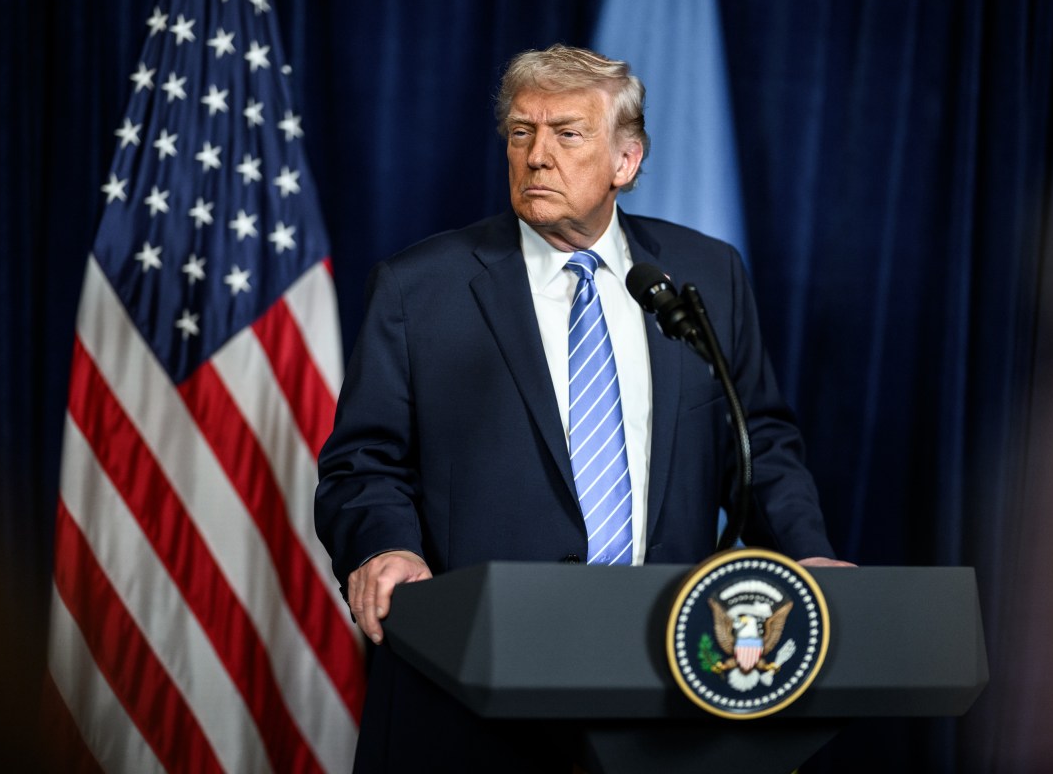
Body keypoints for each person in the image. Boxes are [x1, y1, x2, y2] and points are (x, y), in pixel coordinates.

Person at [315, 43, 850, 772]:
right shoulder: (420, 288)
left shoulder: (704, 276)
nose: (538, 156)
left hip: (664, 681)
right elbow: (361, 462)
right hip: (473, 685)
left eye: (567, 134)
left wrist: (805, 554)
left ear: (625, 162)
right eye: (521, 133)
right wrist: (386, 547)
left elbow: (757, 440)